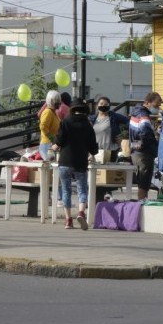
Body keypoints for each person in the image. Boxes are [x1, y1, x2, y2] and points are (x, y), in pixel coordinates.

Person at [51, 98, 98, 230]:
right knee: (82, 189)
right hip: (81, 161)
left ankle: (68, 220)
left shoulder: (65, 122)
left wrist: (54, 146)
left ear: (72, 109)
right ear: (85, 110)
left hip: (65, 161)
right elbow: (93, 148)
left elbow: (59, 140)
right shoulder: (88, 125)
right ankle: (81, 212)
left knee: (66, 190)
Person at [129, 92, 162, 200]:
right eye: (156, 105)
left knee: (142, 182)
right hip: (144, 153)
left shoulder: (136, 113)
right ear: (147, 103)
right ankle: (142, 205)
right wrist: (155, 140)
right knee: (144, 183)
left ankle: (142, 202)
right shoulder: (143, 115)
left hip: (136, 151)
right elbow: (145, 133)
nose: (157, 108)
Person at [89, 95, 128, 163]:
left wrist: (123, 135)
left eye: (106, 104)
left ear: (109, 106)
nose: (103, 106)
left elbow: (129, 122)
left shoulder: (114, 117)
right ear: (97, 106)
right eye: (101, 104)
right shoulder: (92, 118)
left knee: (109, 171)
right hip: (96, 151)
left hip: (111, 150)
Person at [38, 90, 62, 161]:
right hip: (47, 144)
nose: (59, 103)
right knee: (51, 167)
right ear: (51, 101)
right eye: (57, 101)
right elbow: (43, 126)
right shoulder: (48, 112)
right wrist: (52, 138)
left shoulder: (53, 113)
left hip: (51, 144)